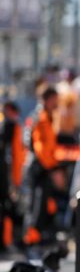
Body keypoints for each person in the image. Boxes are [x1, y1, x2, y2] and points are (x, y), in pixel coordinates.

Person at [25, 87, 63, 245]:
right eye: (55, 99)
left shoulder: (48, 117)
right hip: (38, 168)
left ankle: (42, 236)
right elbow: (41, 149)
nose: (57, 103)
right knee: (37, 205)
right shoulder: (40, 118)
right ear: (47, 99)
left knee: (47, 204)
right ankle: (32, 240)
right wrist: (53, 168)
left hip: (45, 168)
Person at [0, 101, 25, 248]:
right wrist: (16, 181)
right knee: (8, 207)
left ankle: (6, 241)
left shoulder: (9, 126)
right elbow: (15, 156)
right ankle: (6, 241)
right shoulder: (12, 126)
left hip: (6, 175)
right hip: (5, 176)